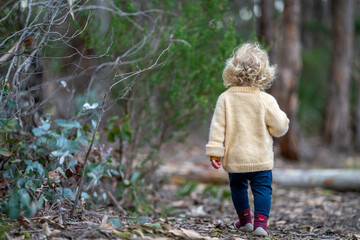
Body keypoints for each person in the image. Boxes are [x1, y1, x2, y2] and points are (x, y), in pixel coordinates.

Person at [206, 43, 289, 236]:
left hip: (236, 158)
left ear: (232, 70)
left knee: (238, 188)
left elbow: (217, 128)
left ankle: (245, 222)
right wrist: (283, 120)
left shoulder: (225, 98)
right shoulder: (265, 99)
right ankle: (261, 225)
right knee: (262, 190)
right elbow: (279, 128)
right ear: (264, 73)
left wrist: (215, 153)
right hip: (261, 158)